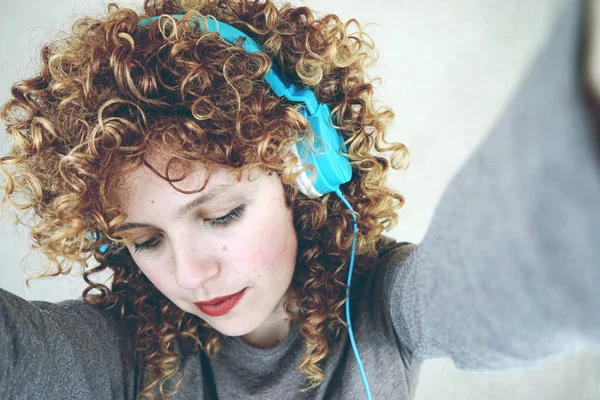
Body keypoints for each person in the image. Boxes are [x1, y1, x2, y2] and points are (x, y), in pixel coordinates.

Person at [0, 0, 598, 399]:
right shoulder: (127, 349)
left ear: (306, 175)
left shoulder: (385, 308)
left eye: (222, 214)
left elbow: (496, 274)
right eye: (146, 241)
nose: (190, 276)